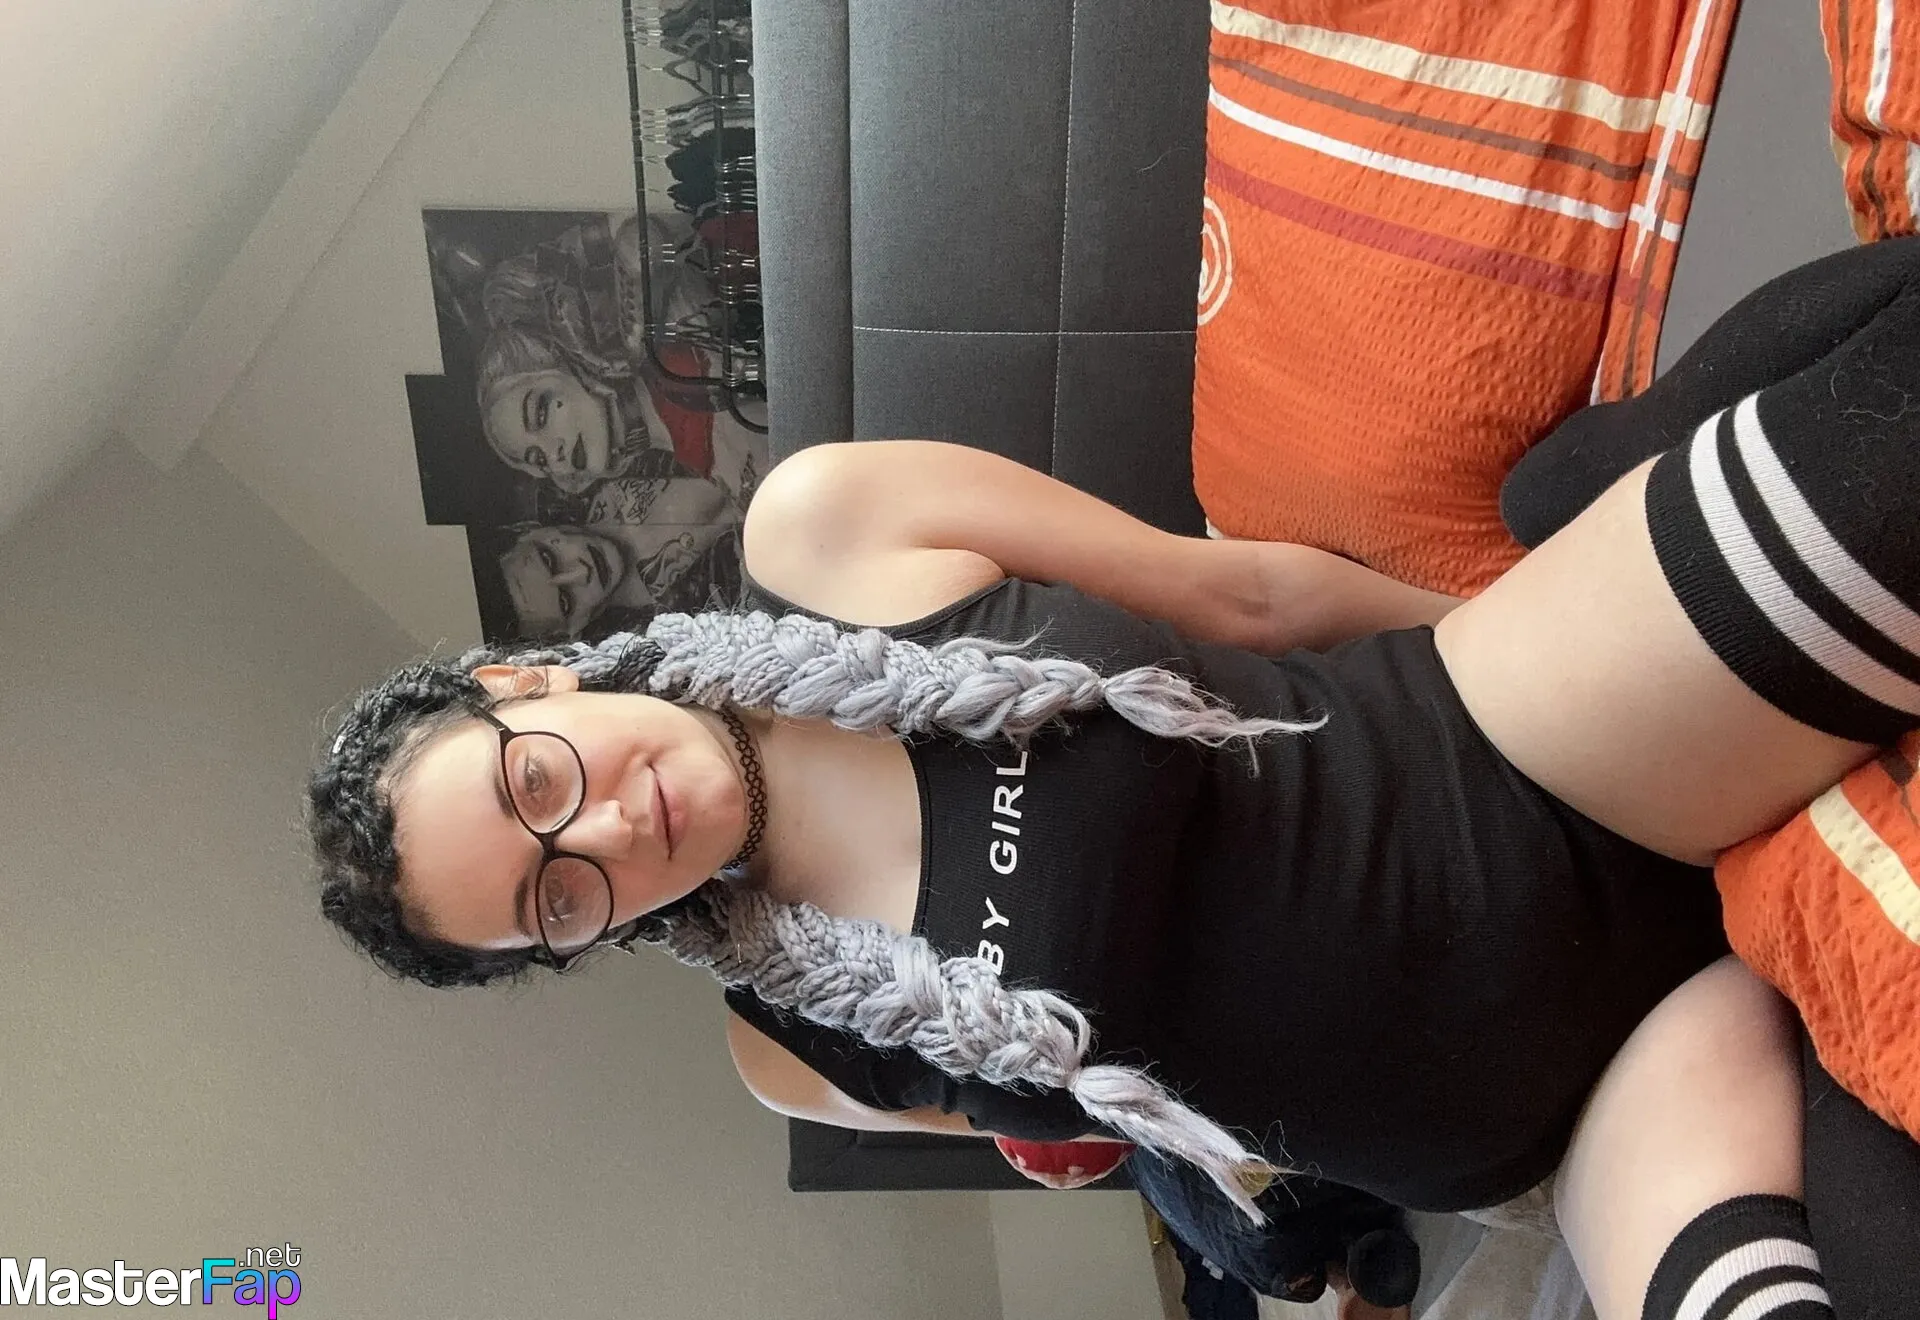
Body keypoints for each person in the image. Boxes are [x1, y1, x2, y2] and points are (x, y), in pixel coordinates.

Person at [309, 242, 1920, 1319]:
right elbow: (1140, 1136)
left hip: (1524, 767)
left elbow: (1243, 597)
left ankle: (1604, 488)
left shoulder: (828, 532)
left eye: (535, 786)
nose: (603, 831)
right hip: (1574, 1115)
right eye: (557, 900)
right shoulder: (791, 1053)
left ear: (523, 684)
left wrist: (1572, 596)